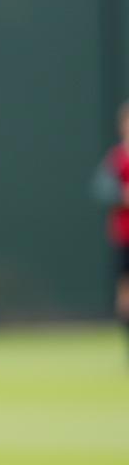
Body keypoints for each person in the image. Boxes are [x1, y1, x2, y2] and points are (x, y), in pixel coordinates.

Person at [91, 100, 129, 348]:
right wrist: (122, 195)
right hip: (124, 236)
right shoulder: (117, 157)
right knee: (125, 291)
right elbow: (102, 189)